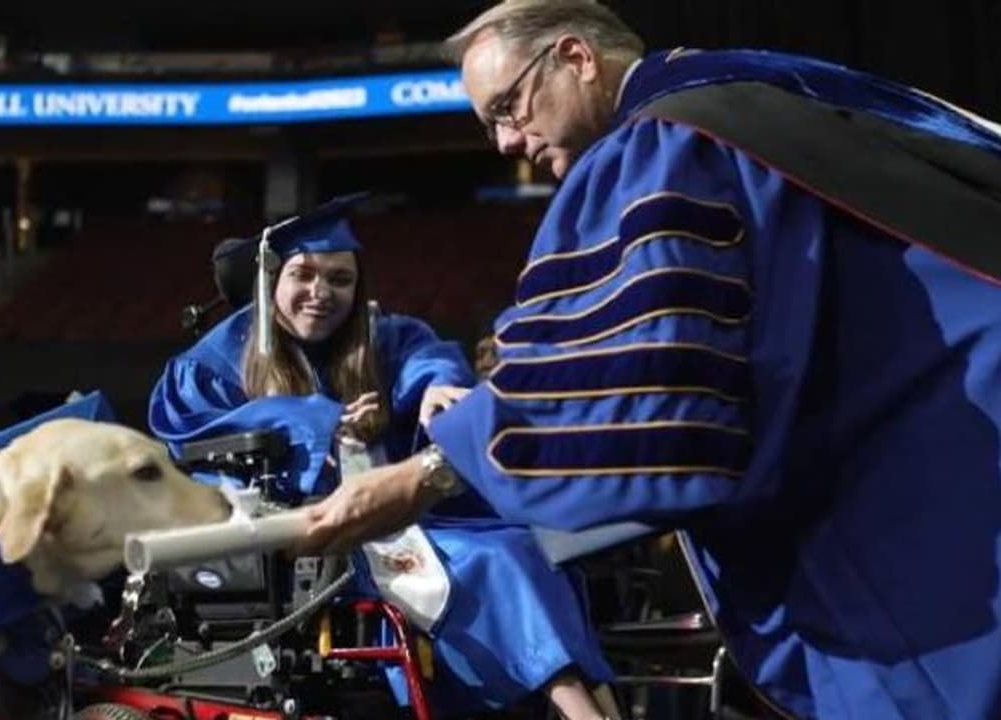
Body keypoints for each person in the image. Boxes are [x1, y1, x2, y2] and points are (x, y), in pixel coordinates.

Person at [298, 2, 1001, 719]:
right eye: (492, 126)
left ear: (575, 57)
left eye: (510, 107)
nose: (510, 141)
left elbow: (628, 388)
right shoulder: (782, 99)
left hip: (936, 492)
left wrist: (419, 476)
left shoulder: (666, 146)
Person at [148, 197, 615, 719]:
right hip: (307, 537)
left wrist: (438, 387)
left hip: (394, 522)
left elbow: (426, 355)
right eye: (303, 275)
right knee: (495, 561)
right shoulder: (214, 361)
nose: (321, 294)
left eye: (340, 279)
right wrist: (319, 424)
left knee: (527, 544)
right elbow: (193, 436)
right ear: (271, 278)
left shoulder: (373, 335)